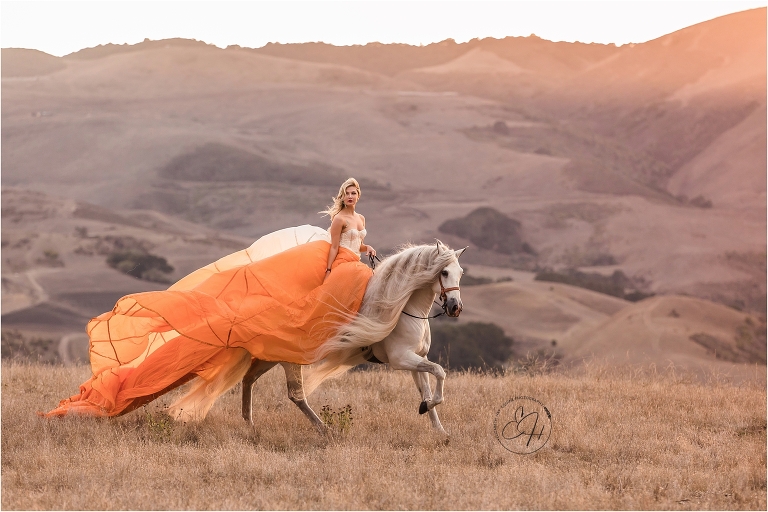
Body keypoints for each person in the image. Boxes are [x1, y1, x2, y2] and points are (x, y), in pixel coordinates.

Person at [44, 178, 375, 418]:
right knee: (352, 282)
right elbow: (334, 249)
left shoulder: (359, 220)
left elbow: (354, 244)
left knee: (365, 275)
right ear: (341, 196)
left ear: (358, 196)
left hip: (353, 262)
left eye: (355, 191)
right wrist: (330, 272)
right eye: (347, 192)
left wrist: (365, 248)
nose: (351, 196)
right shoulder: (338, 220)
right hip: (338, 266)